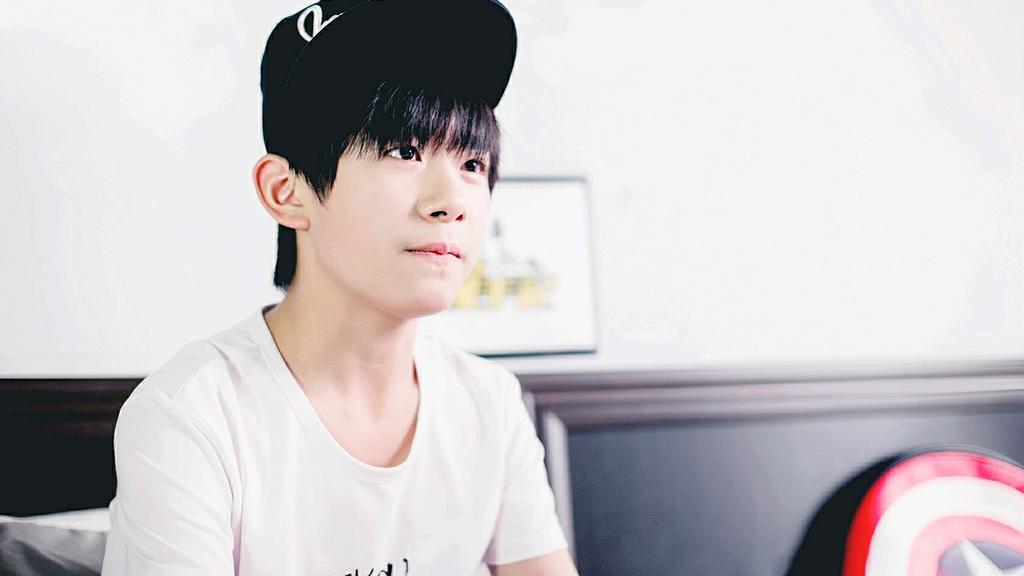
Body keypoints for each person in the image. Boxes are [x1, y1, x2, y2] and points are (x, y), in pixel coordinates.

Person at [100, 1, 579, 574]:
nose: (451, 202)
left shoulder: (488, 404)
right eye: (404, 151)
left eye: (473, 164)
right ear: (286, 192)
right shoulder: (193, 415)